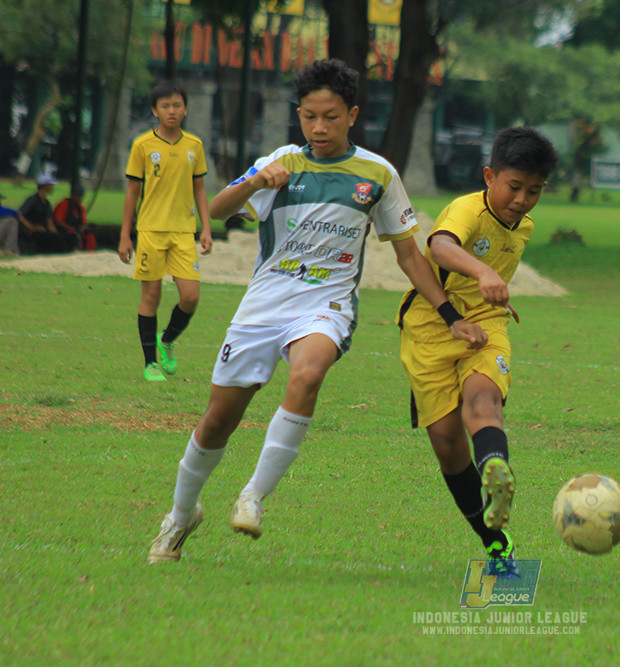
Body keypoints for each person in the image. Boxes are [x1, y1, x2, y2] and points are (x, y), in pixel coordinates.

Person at [147, 58, 485, 564]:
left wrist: (449, 313)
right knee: (218, 420)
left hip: (325, 306)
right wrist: (257, 181)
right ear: (298, 116)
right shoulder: (283, 161)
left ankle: (253, 496)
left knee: (308, 374)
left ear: (351, 114)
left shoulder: (378, 174)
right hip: (264, 303)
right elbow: (214, 211)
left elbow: (409, 255)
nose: (318, 128)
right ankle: (181, 514)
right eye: (308, 116)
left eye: (329, 116)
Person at [396, 126, 559, 577]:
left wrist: (493, 296)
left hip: (487, 326)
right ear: (489, 176)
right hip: (431, 328)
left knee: (483, 401)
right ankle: (496, 542)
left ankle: (496, 471)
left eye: (534, 191)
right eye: (514, 186)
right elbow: (441, 245)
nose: (523, 200)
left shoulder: (523, 225)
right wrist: (483, 273)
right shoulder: (466, 209)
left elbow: (489, 275)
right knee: (449, 448)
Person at [119, 81, 214, 383]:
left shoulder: (194, 146)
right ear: (154, 110)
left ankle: (168, 339)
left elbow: (199, 188)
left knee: (191, 296)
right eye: (165, 106)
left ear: (185, 109)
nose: (171, 111)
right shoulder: (143, 145)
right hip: (150, 231)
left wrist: (206, 228)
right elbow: (132, 193)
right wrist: (125, 236)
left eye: (176, 105)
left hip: (183, 233)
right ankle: (150, 364)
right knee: (152, 295)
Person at [18, 175, 76, 254]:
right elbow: (19, 214)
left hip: (45, 231)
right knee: (57, 239)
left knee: (70, 237)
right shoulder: (33, 200)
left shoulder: (47, 203)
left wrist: (57, 234)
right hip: (36, 233)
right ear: (45, 186)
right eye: (51, 185)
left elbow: (50, 223)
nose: (52, 187)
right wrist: (31, 226)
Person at [53, 183, 97, 251]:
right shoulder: (64, 204)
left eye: (81, 196)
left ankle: (89, 254)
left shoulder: (80, 208)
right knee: (73, 235)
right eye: (78, 196)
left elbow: (84, 223)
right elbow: (58, 222)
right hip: (65, 231)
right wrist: (71, 228)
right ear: (72, 195)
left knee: (90, 237)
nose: (80, 198)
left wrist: (81, 229)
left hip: (77, 230)